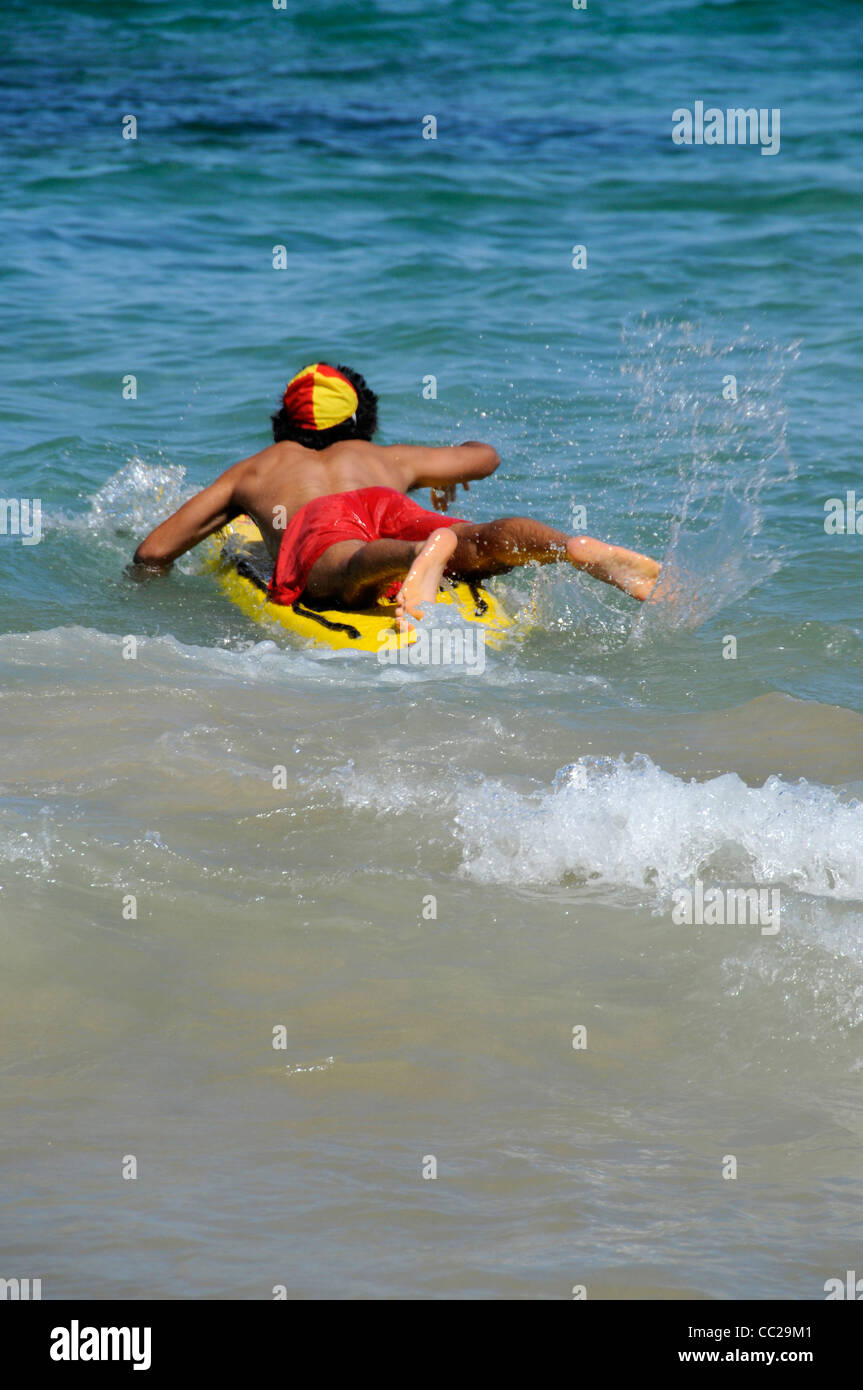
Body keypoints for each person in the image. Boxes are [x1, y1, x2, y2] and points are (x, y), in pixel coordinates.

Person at [132, 362, 660, 629]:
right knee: (475, 540)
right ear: (361, 418)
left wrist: (150, 585)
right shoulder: (388, 458)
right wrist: (450, 471)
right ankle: (567, 547)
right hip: (388, 505)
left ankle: (416, 557)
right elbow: (486, 456)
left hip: (327, 523)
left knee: (348, 562)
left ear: (282, 423)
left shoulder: (259, 468)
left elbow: (154, 551)